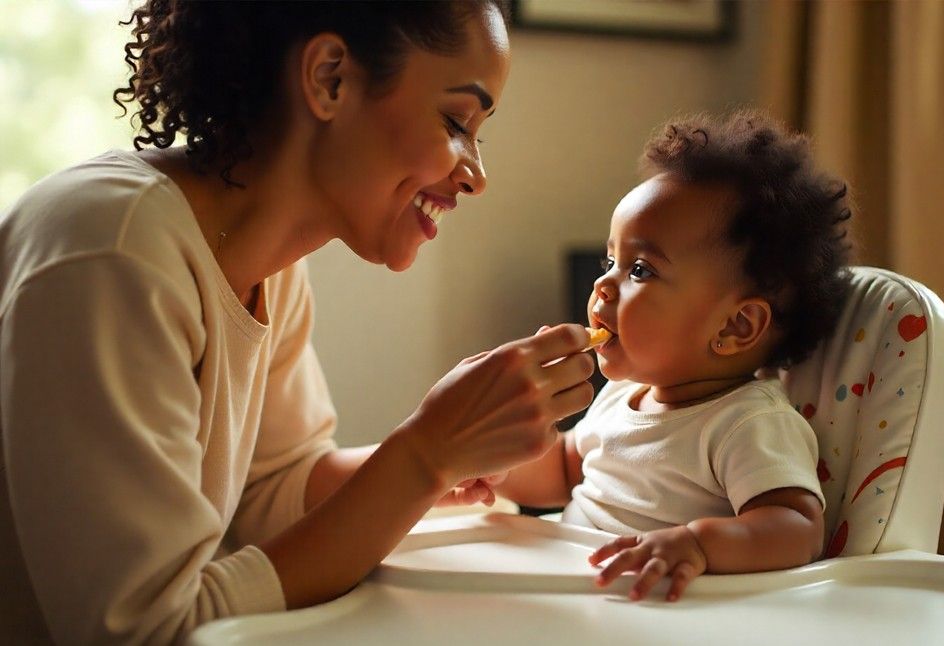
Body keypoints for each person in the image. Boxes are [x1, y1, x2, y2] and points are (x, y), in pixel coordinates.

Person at [0, 2, 598, 643]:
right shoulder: (111, 251)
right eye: (456, 121)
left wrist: (449, 458)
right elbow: (149, 630)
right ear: (329, 78)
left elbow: (272, 492)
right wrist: (424, 455)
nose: (476, 175)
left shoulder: (272, 268)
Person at [495, 111, 854, 602]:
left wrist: (698, 544)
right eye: (611, 261)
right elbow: (560, 471)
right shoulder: (621, 397)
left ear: (736, 325)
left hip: (657, 617)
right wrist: (493, 466)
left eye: (639, 269)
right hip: (575, 596)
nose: (602, 284)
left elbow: (796, 526)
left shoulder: (745, 423)